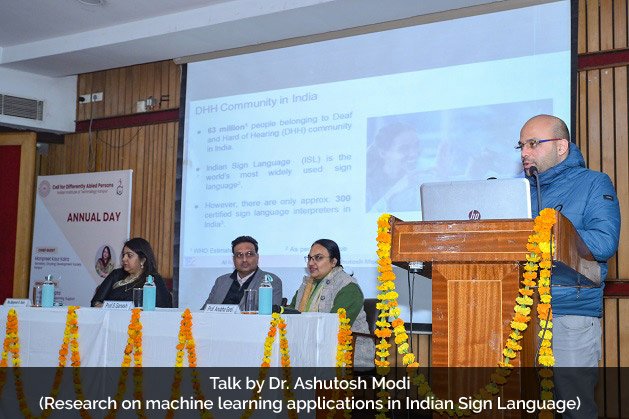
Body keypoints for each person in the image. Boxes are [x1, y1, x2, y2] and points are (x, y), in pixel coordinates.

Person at [519, 115, 621, 418]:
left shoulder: (594, 183)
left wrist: (550, 236)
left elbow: (605, 241)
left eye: (533, 144)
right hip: (520, 317)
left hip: (570, 315)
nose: (524, 152)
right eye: (521, 145)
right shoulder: (519, 191)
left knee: (574, 410)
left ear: (561, 146)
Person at [289, 239, 374, 368]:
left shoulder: (348, 287)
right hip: (309, 349)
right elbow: (290, 314)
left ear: (334, 262)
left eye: (318, 258)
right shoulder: (306, 285)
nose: (311, 263)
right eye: (309, 258)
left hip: (348, 354)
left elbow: (335, 326)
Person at [202, 236, 282, 310]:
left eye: (249, 254)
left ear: (257, 257)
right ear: (234, 259)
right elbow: (204, 311)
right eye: (239, 255)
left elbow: (271, 314)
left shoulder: (271, 281)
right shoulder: (221, 281)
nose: (244, 260)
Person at [91, 238, 172, 307]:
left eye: (129, 255)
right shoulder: (116, 275)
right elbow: (96, 302)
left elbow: (163, 309)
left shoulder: (154, 280)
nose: (124, 259)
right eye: (123, 255)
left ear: (143, 260)